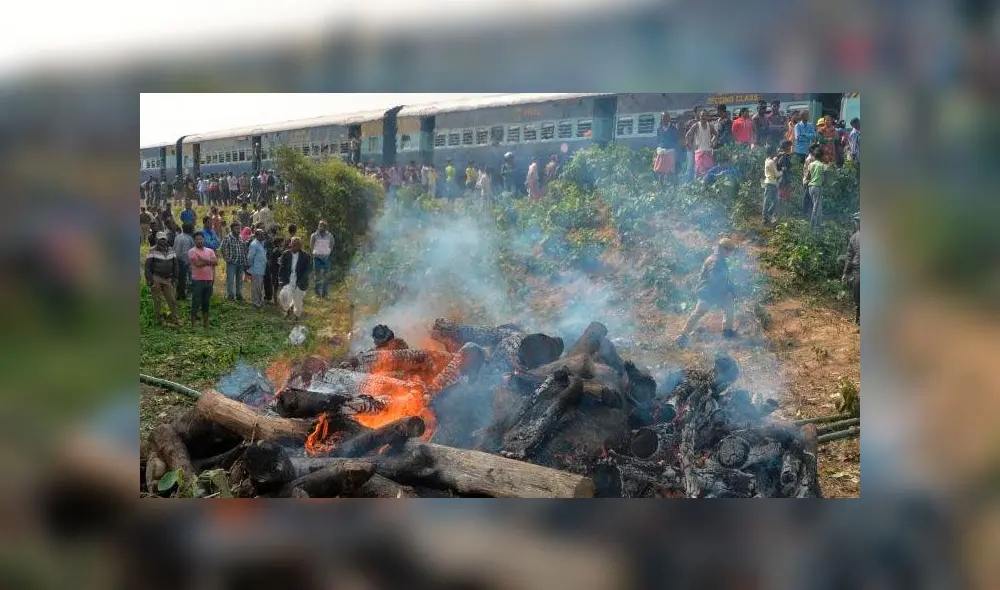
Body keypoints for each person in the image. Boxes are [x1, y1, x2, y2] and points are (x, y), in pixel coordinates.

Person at [676, 238, 738, 347]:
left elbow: (723, 280)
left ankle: (727, 331)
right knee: (698, 313)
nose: (730, 253)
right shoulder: (715, 261)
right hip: (707, 293)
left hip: (714, 292)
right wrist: (726, 293)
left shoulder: (719, 259)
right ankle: (683, 336)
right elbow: (715, 281)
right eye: (729, 250)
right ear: (723, 249)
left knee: (729, 306)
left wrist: (730, 290)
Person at [145, 231, 181, 326]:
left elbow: (175, 265)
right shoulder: (152, 250)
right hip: (156, 277)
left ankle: (175, 318)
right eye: (160, 239)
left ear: (166, 240)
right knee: (158, 300)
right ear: (157, 240)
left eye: (164, 239)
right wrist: (149, 279)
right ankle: (160, 319)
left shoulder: (171, 250)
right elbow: (147, 266)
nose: (162, 241)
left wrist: (175, 277)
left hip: (168, 278)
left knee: (172, 300)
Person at [188, 230, 218, 328]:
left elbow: (216, 262)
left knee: (206, 302)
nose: (199, 241)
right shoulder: (192, 251)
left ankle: (206, 322)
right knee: (196, 302)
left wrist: (203, 259)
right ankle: (193, 323)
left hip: (209, 280)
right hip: (197, 280)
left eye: (201, 239)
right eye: (197, 239)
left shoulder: (210, 251)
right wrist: (210, 262)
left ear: (203, 239)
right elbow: (198, 264)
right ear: (194, 241)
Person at [278, 236, 311, 320]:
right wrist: (281, 280)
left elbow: (307, 271)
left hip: (300, 281)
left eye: (294, 245)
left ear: (299, 246)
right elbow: (282, 268)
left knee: (298, 301)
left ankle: (297, 317)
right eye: (291, 245)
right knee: (283, 295)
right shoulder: (286, 254)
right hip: (288, 280)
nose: (292, 247)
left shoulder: (306, 256)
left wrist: (300, 283)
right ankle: (288, 309)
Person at [219, 221, 248, 301]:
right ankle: (230, 296)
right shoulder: (227, 238)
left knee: (240, 280)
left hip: (240, 262)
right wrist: (227, 259)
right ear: (232, 229)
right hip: (232, 263)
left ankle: (239, 295)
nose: (238, 230)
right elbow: (223, 249)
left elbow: (243, 249)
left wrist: (245, 260)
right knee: (230, 280)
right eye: (237, 229)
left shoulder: (240, 237)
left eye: (239, 229)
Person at [685, 109, 718, 179]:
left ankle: (707, 185)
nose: (703, 117)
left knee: (709, 172)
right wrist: (689, 145)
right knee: (698, 172)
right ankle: (696, 184)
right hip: (699, 152)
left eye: (705, 115)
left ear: (707, 117)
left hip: (708, 152)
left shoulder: (710, 126)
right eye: (702, 115)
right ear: (699, 117)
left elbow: (716, 135)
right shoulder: (696, 125)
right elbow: (687, 135)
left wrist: (712, 142)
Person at [842, 212, 861, 327]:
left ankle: (858, 322)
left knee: (858, 298)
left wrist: (845, 273)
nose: (856, 224)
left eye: (856, 221)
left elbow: (849, 257)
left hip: (858, 272)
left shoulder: (854, 237)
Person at [806, 145, 830, 230]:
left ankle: (817, 224)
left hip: (810, 187)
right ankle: (813, 226)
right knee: (816, 207)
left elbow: (807, 177)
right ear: (822, 156)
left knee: (816, 206)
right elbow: (825, 178)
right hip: (817, 187)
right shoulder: (822, 166)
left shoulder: (811, 164)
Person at [654, 112, 680, 184]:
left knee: (670, 172)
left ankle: (673, 187)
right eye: (663, 117)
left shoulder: (673, 129)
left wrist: (675, 153)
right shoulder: (659, 129)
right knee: (661, 171)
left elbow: (676, 141)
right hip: (661, 152)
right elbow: (658, 141)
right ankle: (661, 187)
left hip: (670, 152)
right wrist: (659, 149)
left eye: (666, 117)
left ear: (669, 119)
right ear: (661, 119)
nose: (665, 119)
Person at [310, 220, 333, 299]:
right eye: (319, 225)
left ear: (325, 227)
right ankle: (317, 294)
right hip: (317, 258)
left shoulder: (330, 236)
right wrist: (315, 253)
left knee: (326, 276)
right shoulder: (314, 235)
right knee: (317, 276)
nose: (320, 227)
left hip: (326, 258)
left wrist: (328, 252)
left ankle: (325, 293)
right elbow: (311, 246)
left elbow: (332, 245)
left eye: (322, 225)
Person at [172, 223, 195, 301]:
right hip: (184, 261)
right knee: (185, 279)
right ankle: (183, 295)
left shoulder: (177, 236)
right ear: (190, 230)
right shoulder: (189, 239)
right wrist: (187, 263)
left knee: (179, 278)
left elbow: (174, 248)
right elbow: (186, 252)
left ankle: (178, 294)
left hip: (176, 259)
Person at [247, 228, 268, 309]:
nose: (263, 235)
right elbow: (250, 257)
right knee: (256, 287)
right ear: (257, 235)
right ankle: (255, 303)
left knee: (259, 286)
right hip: (256, 269)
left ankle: (258, 301)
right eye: (262, 234)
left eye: (263, 234)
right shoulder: (254, 244)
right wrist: (251, 266)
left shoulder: (261, 243)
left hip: (261, 269)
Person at [762, 145, 780, 225]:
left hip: (770, 183)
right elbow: (776, 174)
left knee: (770, 201)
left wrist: (775, 160)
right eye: (774, 151)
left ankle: (766, 216)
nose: (775, 153)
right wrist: (783, 171)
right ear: (772, 152)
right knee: (772, 201)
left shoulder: (767, 160)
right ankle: (766, 217)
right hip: (771, 183)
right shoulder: (771, 162)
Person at [266, 226, 283, 304]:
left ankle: (276, 298)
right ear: (278, 243)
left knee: (276, 284)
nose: (282, 243)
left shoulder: (278, 250)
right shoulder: (277, 251)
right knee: (275, 284)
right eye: (281, 242)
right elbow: (277, 261)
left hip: (276, 269)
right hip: (275, 269)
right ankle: (275, 299)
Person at [776, 139, 794, 205]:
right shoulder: (784, 156)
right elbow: (784, 169)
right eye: (789, 146)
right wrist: (787, 179)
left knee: (781, 195)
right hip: (783, 179)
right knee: (783, 196)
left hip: (780, 178)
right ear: (786, 147)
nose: (790, 148)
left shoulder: (780, 155)